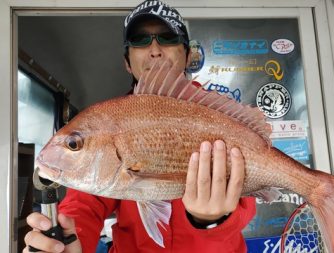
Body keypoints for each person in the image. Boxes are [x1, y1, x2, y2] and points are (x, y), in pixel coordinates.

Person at [23, 1, 256, 252]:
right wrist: (67, 238)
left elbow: (249, 196)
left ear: (188, 55)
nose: (155, 49)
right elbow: (84, 206)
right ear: (127, 61)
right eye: (140, 40)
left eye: (168, 38)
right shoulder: (109, 122)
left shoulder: (220, 115)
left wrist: (211, 222)